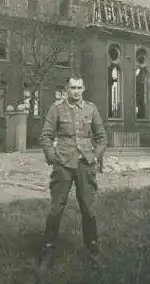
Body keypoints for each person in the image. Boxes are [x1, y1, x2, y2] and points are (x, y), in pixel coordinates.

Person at [39, 75, 107, 268]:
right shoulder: (56, 109)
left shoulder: (91, 109)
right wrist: (53, 158)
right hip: (63, 166)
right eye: (72, 88)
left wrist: (94, 157)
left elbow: (102, 138)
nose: (76, 92)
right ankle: (48, 253)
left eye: (79, 88)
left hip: (85, 165)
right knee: (56, 209)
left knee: (88, 209)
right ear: (66, 89)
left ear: (83, 88)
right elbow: (45, 136)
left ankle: (93, 252)